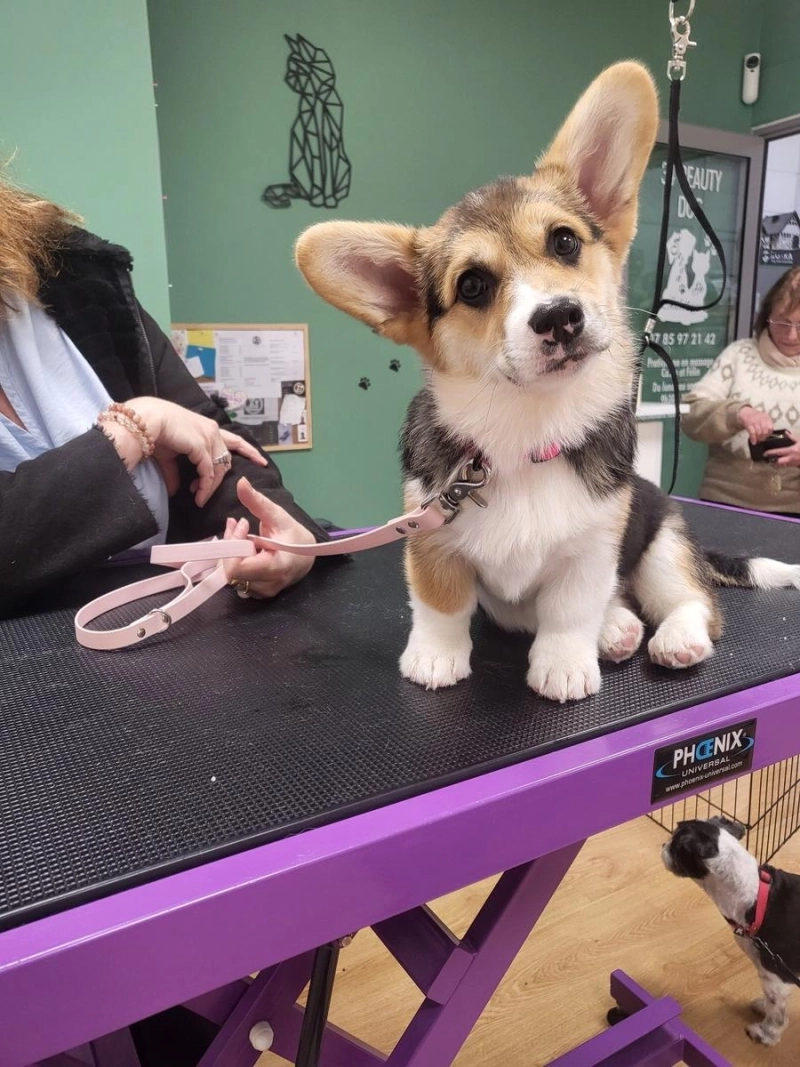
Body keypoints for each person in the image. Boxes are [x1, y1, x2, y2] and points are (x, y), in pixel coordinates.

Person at [0, 176, 330, 613]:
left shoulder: (74, 276)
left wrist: (284, 539)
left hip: (164, 629)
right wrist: (132, 431)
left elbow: (211, 442)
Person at [682, 265, 800, 516]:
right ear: (767, 315)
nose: (790, 335)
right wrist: (738, 413)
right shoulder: (739, 355)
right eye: (782, 322)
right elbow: (690, 413)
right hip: (724, 502)